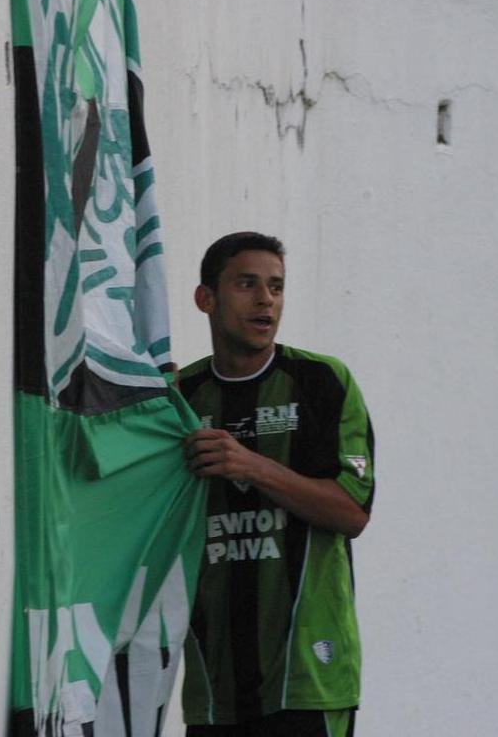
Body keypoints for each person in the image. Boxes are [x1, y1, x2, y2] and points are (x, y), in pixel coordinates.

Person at [179, 232, 376, 737]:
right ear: (206, 298)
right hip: (214, 682)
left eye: (277, 286)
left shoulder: (321, 382)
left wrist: (249, 465)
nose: (266, 299)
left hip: (308, 678)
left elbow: (351, 512)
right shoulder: (179, 397)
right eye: (247, 284)